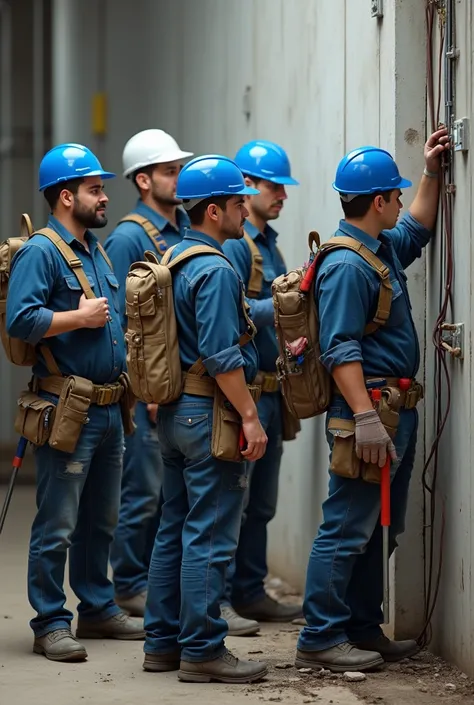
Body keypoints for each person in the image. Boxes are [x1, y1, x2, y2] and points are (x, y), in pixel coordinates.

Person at [295, 127, 449, 672]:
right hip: (367, 414)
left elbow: (417, 230)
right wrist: (363, 416)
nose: (402, 201)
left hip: (390, 411)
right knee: (346, 524)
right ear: (378, 200)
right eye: (397, 193)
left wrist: (431, 172)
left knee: (379, 525)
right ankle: (319, 634)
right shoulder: (345, 266)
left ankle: (361, 626)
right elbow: (339, 350)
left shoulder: (377, 249)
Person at [6, 143, 145, 662]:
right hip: (70, 407)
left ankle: (97, 607)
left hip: (110, 407)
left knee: (99, 518)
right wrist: (78, 319)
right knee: (59, 520)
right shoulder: (41, 252)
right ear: (67, 196)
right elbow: (20, 320)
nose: (104, 196)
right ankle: (49, 621)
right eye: (95, 189)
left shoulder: (95, 248)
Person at [143, 155, 269, 683]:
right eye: (238, 202)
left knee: (174, 527)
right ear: (213, 211)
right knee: (210, 534)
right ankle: (202, 649)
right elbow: (221, 356)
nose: (246, 210)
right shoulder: (215, 269)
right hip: (207, 415)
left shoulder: (171, 259)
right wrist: (250, 416)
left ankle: (162, 643)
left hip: (173, 414)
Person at [105, 129, 193, 617]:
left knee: (168, 497)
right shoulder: (128, 238)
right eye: (168, 171)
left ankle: (159, 585)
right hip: (148, 394)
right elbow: (122, 323)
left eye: (179, 169)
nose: (178, 178)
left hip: (178, 388)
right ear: (143, 180)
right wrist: (140, 388)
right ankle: (129, 585)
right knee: (142, 493)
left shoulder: (182, 230)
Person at [221, 140, 303, 635]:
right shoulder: (235, 244)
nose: (282, 196)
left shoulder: (267, 242)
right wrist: (293, 303)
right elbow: (235, 314)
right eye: (275, 187)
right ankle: (224, 597)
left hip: (274, 391)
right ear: (246, 186)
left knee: (263, 504)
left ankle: (250, 591)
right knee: (235, 501)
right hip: (246, 392)